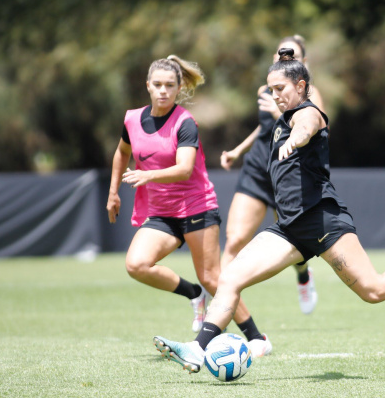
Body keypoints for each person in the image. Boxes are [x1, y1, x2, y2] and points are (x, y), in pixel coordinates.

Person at [152, 48, 385, 373]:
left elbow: (307, 125)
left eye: (281, 88)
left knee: (374, 290)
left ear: (301, 87)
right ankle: (197, 349)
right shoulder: (281, 120)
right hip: (289, 229)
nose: (276, 95)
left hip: (324, 221)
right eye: (271, 90)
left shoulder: (307, 113)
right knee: (230, 279)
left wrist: (294, 140)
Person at [107, 55, 272, 355]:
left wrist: (147, 174)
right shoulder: (132, 119)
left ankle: (257, 337)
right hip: (162, 213)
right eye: (157, 85)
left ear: (179, 87)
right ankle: (193, 294)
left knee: (212, 277)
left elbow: (184, 169)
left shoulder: (185, 122)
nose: (163, 91)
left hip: (197, 207)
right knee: (136, 265)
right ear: (147, 86)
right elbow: (121, 153)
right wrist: (113, 193)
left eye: (170, 85)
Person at [220, 35, 324, 315]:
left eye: (293, 57)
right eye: (281, 56)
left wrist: (293, 124)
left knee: (294, 243)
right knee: (234, 240)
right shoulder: (267, 90)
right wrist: (238, 150)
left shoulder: (311, 96)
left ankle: (302, 275)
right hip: (257, 168)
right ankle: (218, 309)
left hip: (291, 175)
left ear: (304, 64)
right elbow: (264, 128)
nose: (285, 60)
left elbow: (316, 124)